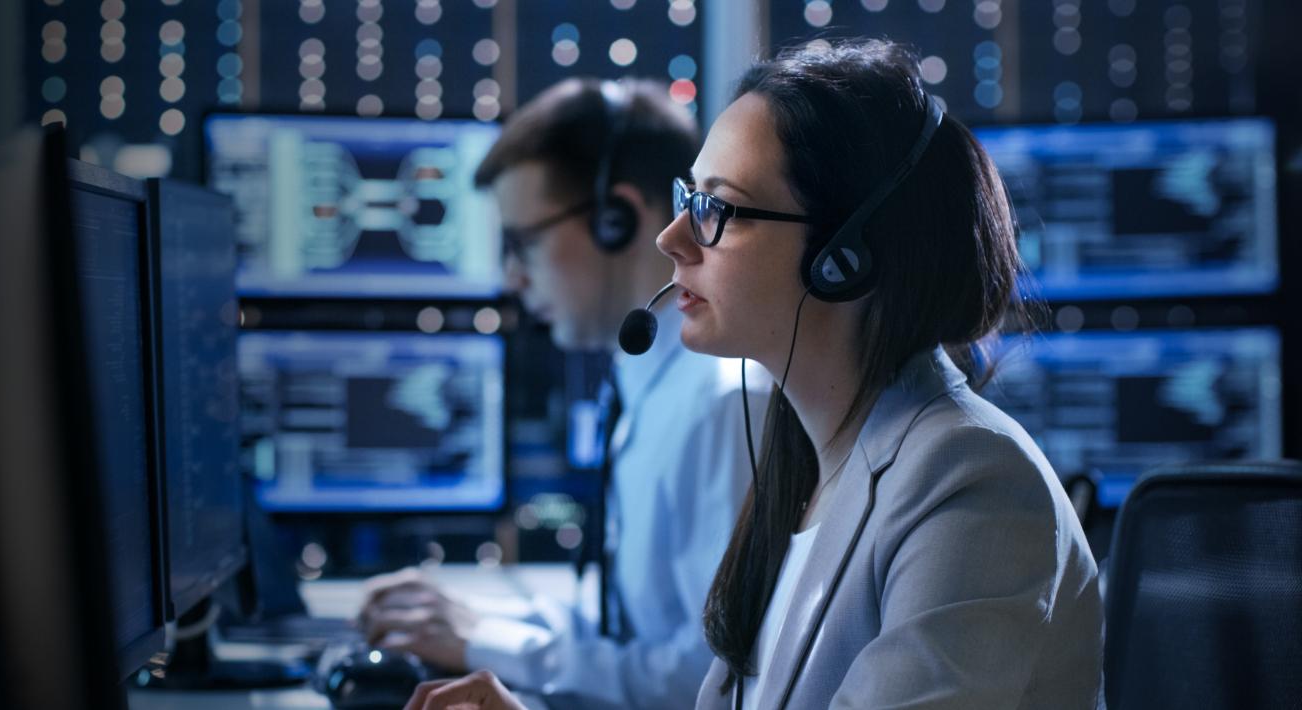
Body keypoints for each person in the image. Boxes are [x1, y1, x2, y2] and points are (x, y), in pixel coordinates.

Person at [397, 39, 1103, 710]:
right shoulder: (802, 463)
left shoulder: (972, 482)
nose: (672, 240)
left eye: (718, 211)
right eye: (687, 200)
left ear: (842, 257)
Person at [360, 77, 764, 710]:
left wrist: (485, 642)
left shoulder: (722, 403)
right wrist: (474, 625)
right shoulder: (645, 383)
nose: (512, 277)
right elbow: (630, 627)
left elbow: (710, 682)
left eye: (523, 242)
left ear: (616, 219)